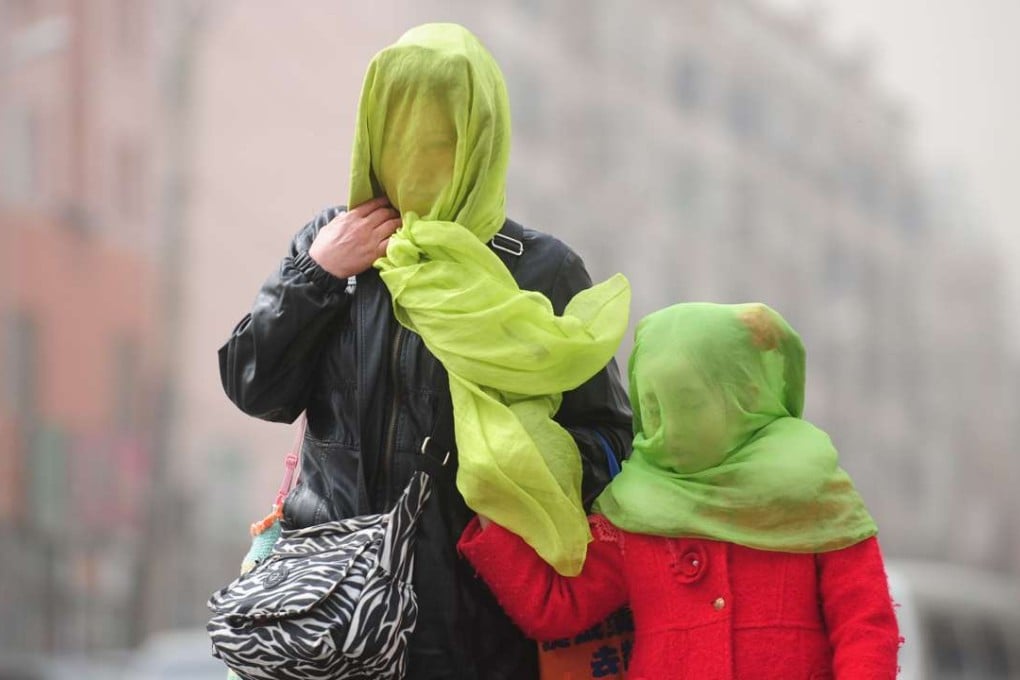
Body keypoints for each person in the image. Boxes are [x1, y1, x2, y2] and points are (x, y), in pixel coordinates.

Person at [218, 23, 632, 680]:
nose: (417, 146)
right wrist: (317, 276)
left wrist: (510, 461)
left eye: (442, 124)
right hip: (334, 611)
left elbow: (610, 446)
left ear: (481, 133)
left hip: (477, 625)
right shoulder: (333, 248)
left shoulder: (538, 271)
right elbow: (253, 384)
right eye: (400, 118)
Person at [459, 303, 901, 680]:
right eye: (652, 405)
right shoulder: (636, 505)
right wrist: (494, 500)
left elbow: (864, 624)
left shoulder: (809, 490)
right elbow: (558, 608)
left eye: (686, 402)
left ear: (743, 391)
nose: (667, 424)